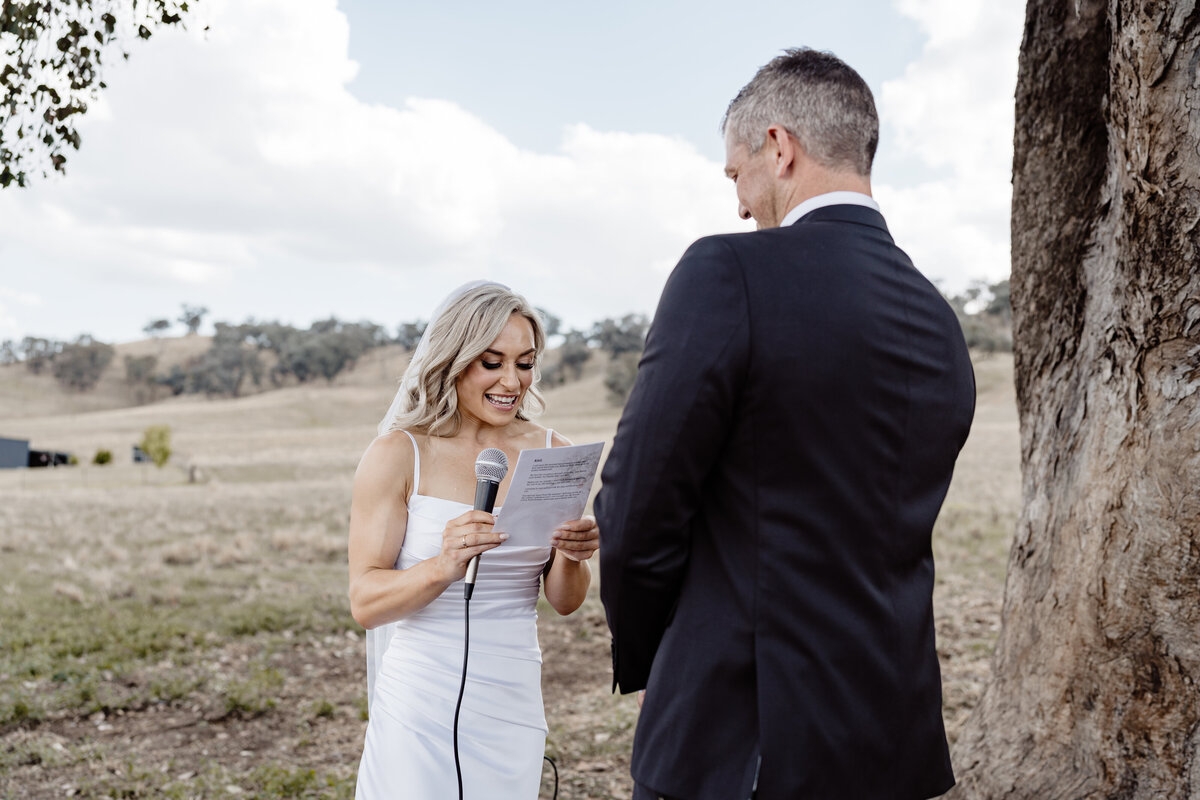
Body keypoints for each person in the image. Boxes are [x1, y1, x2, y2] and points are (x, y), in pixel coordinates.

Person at [595, 48, 975, 800]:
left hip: (743, 735)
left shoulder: (727, 272)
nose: (739, 204)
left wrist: (653, 654)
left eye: (736, 174)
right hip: (890, 739)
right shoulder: (938, 318)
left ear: (780, 147)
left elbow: (638, 503)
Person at [349, 281, 599, 799]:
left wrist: (571, 557)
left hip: (512, 692)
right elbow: (366, 603)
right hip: (419, 695)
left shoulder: (554, 451)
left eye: (525, 364)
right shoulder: (399, 455)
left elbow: (565, 602)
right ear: (454, 360)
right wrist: (443, 564)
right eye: (492, 362)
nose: (513, 381)